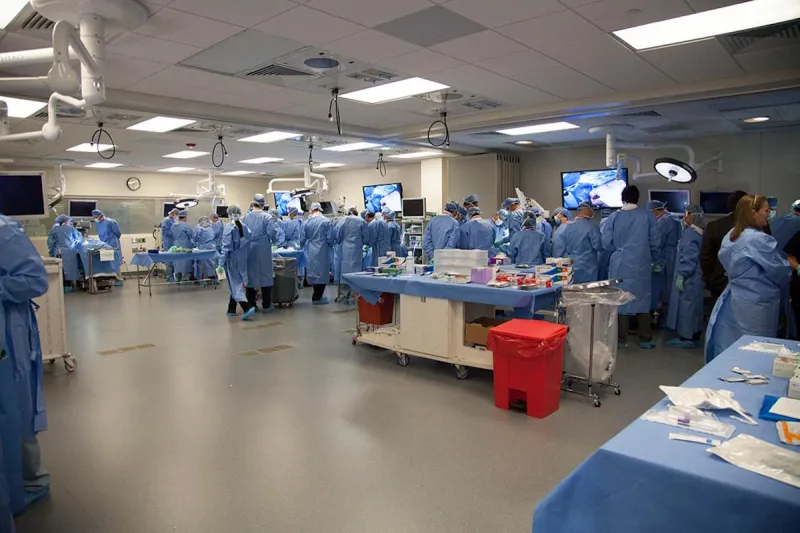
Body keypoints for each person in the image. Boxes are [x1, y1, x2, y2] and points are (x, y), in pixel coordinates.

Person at [0, 213, 50, 517]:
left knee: (13, 407)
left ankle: (25, 483)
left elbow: (34, 278)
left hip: (7, 333)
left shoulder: (4, 230)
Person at [705, 195, 791, 362]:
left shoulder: (731, 236)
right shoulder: (759, 240)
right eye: (766, 210)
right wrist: (790, 265)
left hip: (735, 299)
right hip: (757, 305)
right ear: (753, 213)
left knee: (732, 346)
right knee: (756, 352)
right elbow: (781, 271)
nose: (769, 214)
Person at [601, 186, 659, 349]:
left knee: (620, 297)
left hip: (620, 262)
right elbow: (655, 242)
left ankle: (620, 338)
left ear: (622, 198)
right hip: (641, 262)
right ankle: (644, 337)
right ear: (638, 198)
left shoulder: (613, 217)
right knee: (642, 296)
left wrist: (620, 249)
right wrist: (657, 260)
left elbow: (606, 243)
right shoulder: (647, 216)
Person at [666, 205, 706, 348]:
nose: (685, 217)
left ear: (693, 216)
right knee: (694, 306)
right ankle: (694, 334)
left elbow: (689, 256)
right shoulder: (699, 232)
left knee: (686, 306)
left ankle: (685, 337)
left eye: (687, 214)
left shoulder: (690, 233)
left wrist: (682, 274)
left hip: (689, 276)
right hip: (696, 276)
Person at [700, 190, 748, 302]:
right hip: (748, 286)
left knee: (720, 315)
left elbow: (705, 258)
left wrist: (712, 279)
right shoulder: (757, 228)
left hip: (720, 283)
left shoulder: (714, 227)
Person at [217, 205, 256, 321]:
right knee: (237, 283)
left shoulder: (229, 228)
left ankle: (246, 307)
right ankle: (231, 309)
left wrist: (220, 263)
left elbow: (226, 247)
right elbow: (248, 243)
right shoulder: (244, 227)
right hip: (242, 259)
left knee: (236, 285)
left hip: (232, 260)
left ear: (229, 214)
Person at [242, 197, 277, 313]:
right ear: (263, 204)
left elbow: (243, 234)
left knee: (250, 276)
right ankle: (266, 305)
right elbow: (272, 233)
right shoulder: (267, 217)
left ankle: (252, 305)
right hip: (263, 250)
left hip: (249, 249)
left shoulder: (245, 217)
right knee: (265, 275)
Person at [648, 200, 681, 321]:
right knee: (669, 284)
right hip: (673, 254)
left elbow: (658, 242)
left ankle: (665, 316)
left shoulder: (664, 221)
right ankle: (668, 314)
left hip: (665, 256)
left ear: (655, 211)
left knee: (664, 285)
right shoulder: (673, 217)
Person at [552, 202, 601, 283]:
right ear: (588, 210)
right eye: (593, 209)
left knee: (572, 291)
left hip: (571, 266)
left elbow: (560, 248)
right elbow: (599, 246)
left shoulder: (566, 227)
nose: (594, 212)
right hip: (587, 268)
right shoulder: (591, 226)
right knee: (587, 292)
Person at [300, 203, 334, 305]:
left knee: (313, 272)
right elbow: (330, 238)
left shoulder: (307, 222)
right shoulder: (326, 221)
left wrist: (301, 246)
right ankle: (317, 297)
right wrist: (331, 245)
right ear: (320, 209)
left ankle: (316, 295)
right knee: (322, 273)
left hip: (310, 249)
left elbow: (302, 238)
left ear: (311, 210)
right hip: (322, 249)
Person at [336, 207, 369, 303]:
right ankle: (354, 296)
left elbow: (337, 236)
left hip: (344, 249)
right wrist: (364, 243)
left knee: (345, 271)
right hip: (356, 248)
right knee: (355, 272)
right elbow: (366, 237)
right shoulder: (361, 221)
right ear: (356, 213)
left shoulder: (342, 221)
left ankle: (344, 295)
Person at [47, 214, 81, 286]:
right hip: (71, 251)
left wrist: (51, 252)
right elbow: (79, 237)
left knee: (62, 270)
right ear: (67, 221)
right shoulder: (71, 228)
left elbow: (50, 243)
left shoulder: (54, 230)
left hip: (60, 252)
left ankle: (63, 285)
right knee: (71, 268)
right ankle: (72, 284)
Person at [92, 209, 123, 283]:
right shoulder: (98, 223)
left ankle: (118, 279)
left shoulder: (111, 222)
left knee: (114, 262)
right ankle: (108, 278)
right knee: (106, 262)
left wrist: (113, 241)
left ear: (101, 216)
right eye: (94, 217)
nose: (95, 219)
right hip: (104, 245)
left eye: (96, 217)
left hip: (112, 244)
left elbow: (118, 233)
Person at [170, 211, 195, 281]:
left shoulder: (173, 225)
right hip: (185, 246)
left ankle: (177, 278)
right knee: (185, 263)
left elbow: (171, 234)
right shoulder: (185, 225)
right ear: (185, 217)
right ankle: (185, 279)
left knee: (177, 262)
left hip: (176, 246)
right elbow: (191, 234)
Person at [192, 216, 217, 282]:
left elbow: (194, 238)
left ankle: (201, 278)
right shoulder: (211, 227)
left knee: (201, 263)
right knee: (212, 263)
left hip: (203, 248)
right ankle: (213, 276)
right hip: (211, 247)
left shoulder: (199, 228)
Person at [161, 208, 179, 281]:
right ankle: (169, 277)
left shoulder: (173, 220)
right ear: (172, 213)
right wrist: (174, 233)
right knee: (169, 260)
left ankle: (173, 276)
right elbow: (165, 232)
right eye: (176, 215)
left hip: (173, 242)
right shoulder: (166, 220)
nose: (176, 216)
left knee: (173, 259)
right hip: (168, 242)